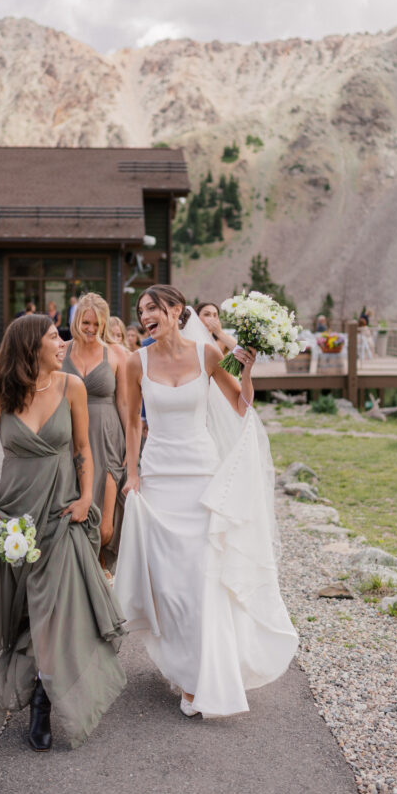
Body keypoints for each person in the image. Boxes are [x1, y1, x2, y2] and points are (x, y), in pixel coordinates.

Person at [115, 284, 298, 719]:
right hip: (159, 480)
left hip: (200, 478)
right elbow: (133, 424)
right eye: (141, 311)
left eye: (153, 308)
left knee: (200, 579)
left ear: (176, 310)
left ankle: (200, 678)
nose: (145, 317)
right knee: (169, 584)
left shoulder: (208, 355)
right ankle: (183, 665)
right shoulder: (135, 362)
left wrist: (247, 370)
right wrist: (132, 473)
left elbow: (241, 405)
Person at [0, 313, 126, 751]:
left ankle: (43, 703)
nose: (62, 343)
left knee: (55, 606)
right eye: (54, 337)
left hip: (62, 511)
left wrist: (86, 498)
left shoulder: (73, 387)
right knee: (24, 608)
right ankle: (34, 682)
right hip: (14, 514)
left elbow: (83, 448)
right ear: (31, 347)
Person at [61, 293, 127, 566]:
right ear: (77, 320)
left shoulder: (117, 354)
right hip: (67, 434)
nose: (90, 329)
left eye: (97, 324)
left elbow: (125, 403)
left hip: (105, 436)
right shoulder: (61, 350)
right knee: (69, 507)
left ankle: (102, 567)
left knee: (105, 525)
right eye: (86, 322)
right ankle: (78, 573)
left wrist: (131, 446)